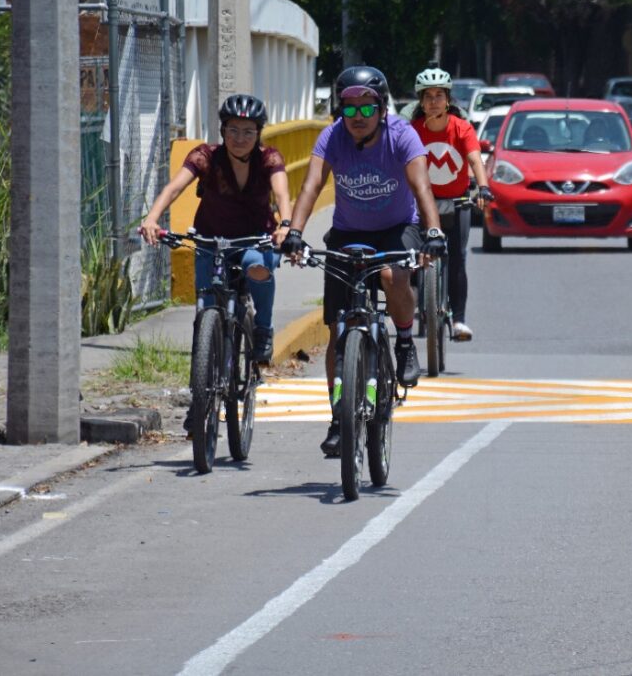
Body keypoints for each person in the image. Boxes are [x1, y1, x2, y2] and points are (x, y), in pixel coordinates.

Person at [280, 65, 446, 457]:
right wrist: (295, 232)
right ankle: (340, 416)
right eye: (348, 109)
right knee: (339, 332)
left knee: (392, 274)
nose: (356, 117)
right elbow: (311, 185)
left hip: (396, 227)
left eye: (366, 108)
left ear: (382, 108)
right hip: (348, 233)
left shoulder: (402, 135)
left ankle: (404, 341)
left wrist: (434, 232)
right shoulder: (332, 137)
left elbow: (422, 186)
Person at [140, 93, 291, 366]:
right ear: (222, 130)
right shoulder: (206, 156)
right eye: (233, 130)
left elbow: (282, 194)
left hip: (255, 240)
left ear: (258, 133)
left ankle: (264, 329)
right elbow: (175, 187)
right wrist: (152, 218)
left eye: (248, 131)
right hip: (212, 239)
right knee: (206, 301)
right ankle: (204, 365)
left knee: (257, 267)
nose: (240, 138)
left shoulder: (268, 158)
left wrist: (286, 226)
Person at [410, 65, 491, 341]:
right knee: (410, 256)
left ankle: (459, 320)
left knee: (457, 258)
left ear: (448, 100)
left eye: (439, 95)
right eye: (428, 96)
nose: (434, 101)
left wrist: (483, 187)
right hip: (422, 203)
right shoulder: (413, 130)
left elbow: (474, 159)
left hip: (457, 202)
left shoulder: (462, 128)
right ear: (420, 101)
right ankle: (413, 303)